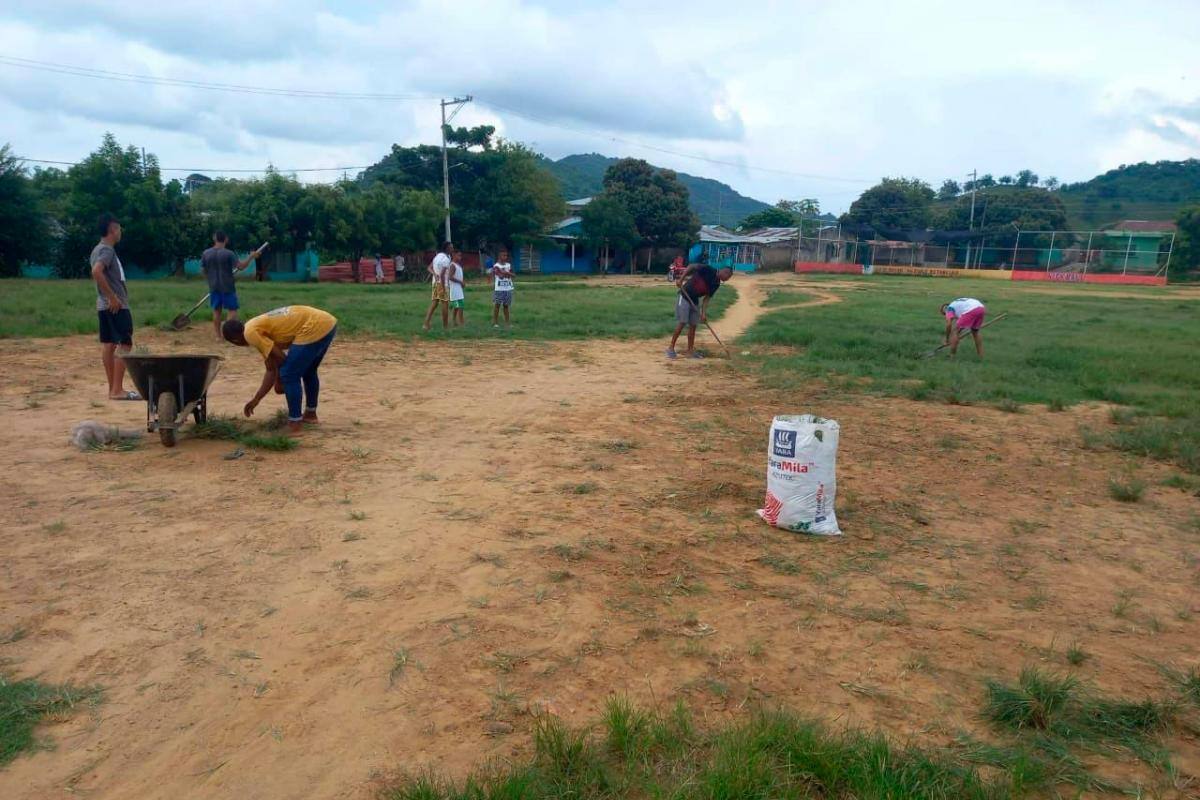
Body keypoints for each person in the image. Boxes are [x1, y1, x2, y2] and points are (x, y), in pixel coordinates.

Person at [223, 305, 337, 434]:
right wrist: (256, 399)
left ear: (235, 340)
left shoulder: (250, 334)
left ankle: (295, 423)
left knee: (289, 374)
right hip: (327, 322)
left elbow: (282, 359)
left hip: (313, 325)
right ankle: (310, 415)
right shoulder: (253, 327)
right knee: (308, 371)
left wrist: (280, 380)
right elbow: (271, 368)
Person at [90, 213, 139, 400]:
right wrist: (112, 297)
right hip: (115, 305)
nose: (120, 232)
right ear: (112, 229)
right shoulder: (107, 250)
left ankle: (113, 389)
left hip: (103, 306)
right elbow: (97, 272)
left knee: (109, 344)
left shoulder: (97, 249)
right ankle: (118, 390)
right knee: (125, 343)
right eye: (119, 228)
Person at [201, 232, 263, 343]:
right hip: (228, 286)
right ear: (226, 239)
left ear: (214, 238)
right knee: (232, 310)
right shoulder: (229, 253)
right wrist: (251, 257)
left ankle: (218, 337)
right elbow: (241, 267)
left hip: (213, 286)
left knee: (216, 311)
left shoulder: (206, 253)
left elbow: (203, 270)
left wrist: (210, 280)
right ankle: (228, 336)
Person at [667, 258, 733, 359]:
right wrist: (681, 279)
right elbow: (691, 266)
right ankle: (671, 348)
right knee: (682, 322)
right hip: (685, 295)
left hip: (695, 300)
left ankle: (690, 351)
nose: (727, 279)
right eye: (728, 277)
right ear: (724, 272)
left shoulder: (716, 284)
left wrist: (703, 314)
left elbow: (706, 299)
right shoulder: (708, 269)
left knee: (693, 325)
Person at [422, 242, 453, 330]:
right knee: (445, 304)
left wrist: (435, 274)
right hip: (443, 283)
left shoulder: (437, 256)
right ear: (447, 248)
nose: (452, 249)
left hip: (435, 283)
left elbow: (429, 268)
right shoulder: (446, 259)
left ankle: (426, 323)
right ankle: (445, 326)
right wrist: (443, 287)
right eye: (451, 247)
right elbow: (442, 274)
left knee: (434, 303)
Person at [490, 247, 515, 328]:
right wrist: (506, 273)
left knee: (506, 306)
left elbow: (513, 275)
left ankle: (507, 323)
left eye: (506, 255)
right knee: (497, 305)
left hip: (508, 288)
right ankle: (495, 322)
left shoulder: (508, 265)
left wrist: (505, 272)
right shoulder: (496, 266)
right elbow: (500, 276)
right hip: (499, 289)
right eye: (503, 255)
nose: (505, 257)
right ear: (499, 256)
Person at [448, 248, 466, 326]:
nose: (460, 257)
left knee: (460, 305)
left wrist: (462, 282)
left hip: (459, 288)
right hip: (454, 288)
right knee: (457, 306)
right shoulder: (452, 265)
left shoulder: (458, 265)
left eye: (460, 255)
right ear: (453, 255)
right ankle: (458, 321)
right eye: (458, 255)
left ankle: (457, 321)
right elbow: (450, 277)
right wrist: (460, 282)